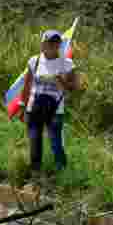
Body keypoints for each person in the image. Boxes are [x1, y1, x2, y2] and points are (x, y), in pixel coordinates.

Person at [21, 29, 78, 173]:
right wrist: (23, 107)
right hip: (34, 109)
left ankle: (62, 173)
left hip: (55, 111)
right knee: (35, 142)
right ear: (42, 44)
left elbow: (74, 87)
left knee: (56, 144)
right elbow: (27, 86)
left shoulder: (67, 63)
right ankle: (35, 174)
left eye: (56, 43)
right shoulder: (35, 61)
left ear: (60, 45)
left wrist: (61, 81)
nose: (53, 46)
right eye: (50, 43)